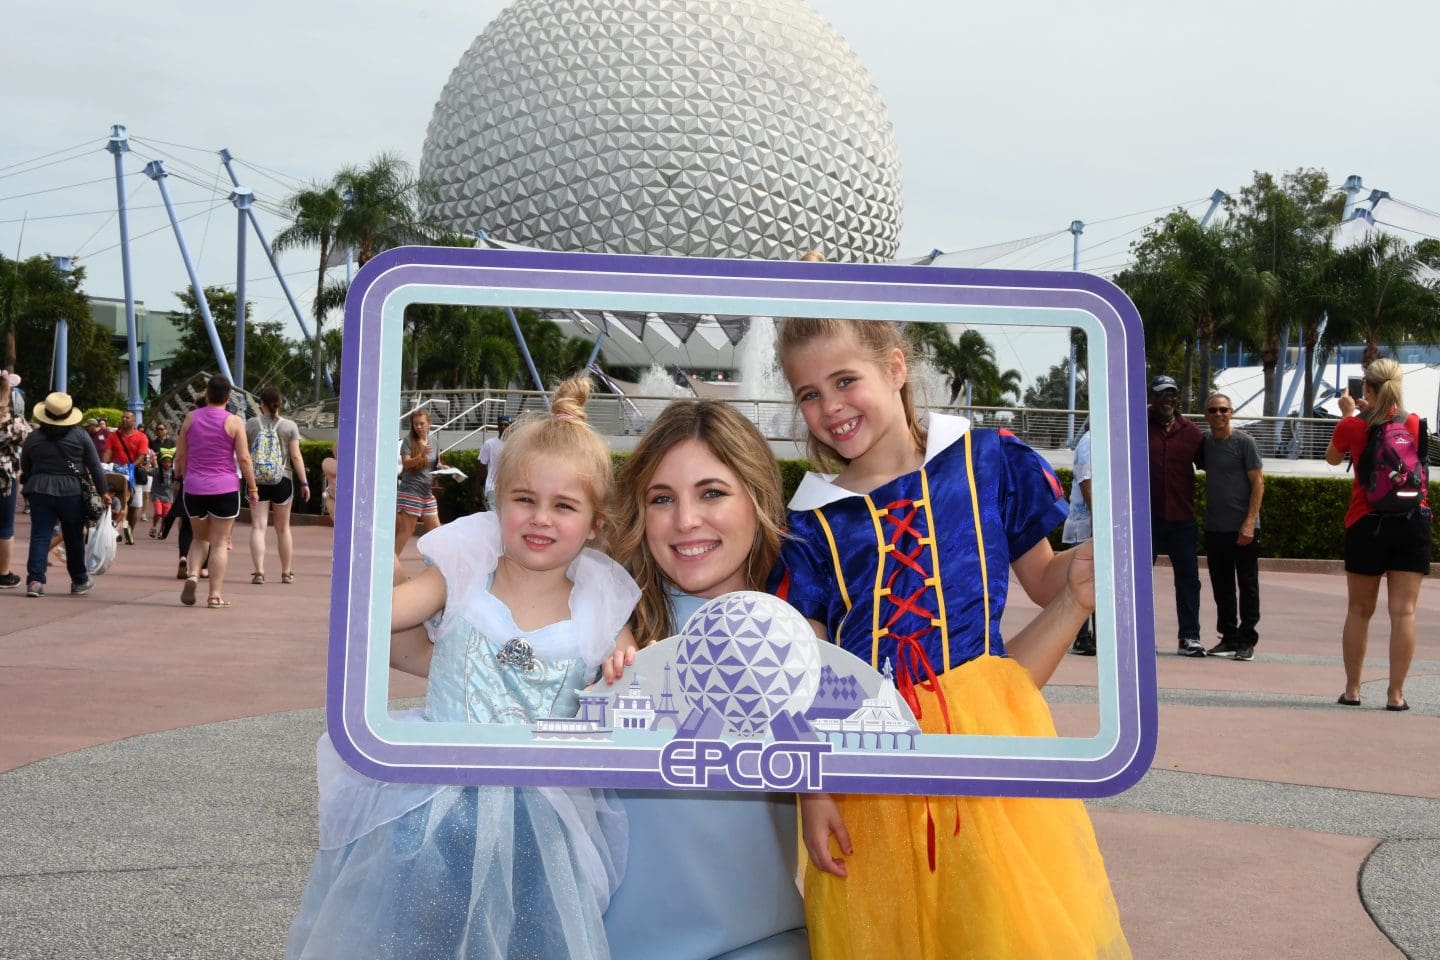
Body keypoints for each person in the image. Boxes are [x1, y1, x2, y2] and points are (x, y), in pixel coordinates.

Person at [772, 317, 1128, 960]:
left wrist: (1086, 570)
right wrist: (813, 789)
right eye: (808, 394)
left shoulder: (986, 461)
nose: (830, 407)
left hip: (984, 744)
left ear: (896, 368)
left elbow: (1047, 580)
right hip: (867, 761)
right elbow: (805, 672)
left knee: (997, 927)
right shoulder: (810, 522)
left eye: (845, 379)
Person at [287, 378, 639, 959]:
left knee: (529, 935)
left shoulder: (601, 604)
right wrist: (366, 533)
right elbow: (376, 618)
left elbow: (626, 683)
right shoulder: (465, 571)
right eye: (524, 499)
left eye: (564, 505)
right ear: (498, 501)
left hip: (542, 818)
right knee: (415, 936)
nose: (540, 518)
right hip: (432, 801)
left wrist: (622, 668)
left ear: (596, 524)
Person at [606, 398, 809, 959]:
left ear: (758, 499)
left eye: (712, 493)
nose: (685, 520)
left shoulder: (803, 640)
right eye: (661, 499)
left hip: (761, 946)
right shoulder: (602, 626)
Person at [1324, 358, 1429, 711]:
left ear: (1365, 387)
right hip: (1413, 519)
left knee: (1359, 609)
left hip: (1366, 522)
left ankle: (1353, 690)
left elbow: (1332, 459)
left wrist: (1348, 413)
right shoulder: (1413, 423)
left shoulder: (1355, 425)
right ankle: (1395, 695)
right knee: (1404, 612)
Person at [173, 377, 259, 608]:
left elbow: (180, 455)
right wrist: (252, 488)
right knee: (220, 543)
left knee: (200, 538)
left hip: (194, 488)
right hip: (225, 488)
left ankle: (193, 574)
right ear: (228, 397)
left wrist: (179, 478)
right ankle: (214, 595)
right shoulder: (234, 422)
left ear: (207, 394)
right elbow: (243, 458)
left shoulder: (191, 418)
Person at [17, 392, 110, 597]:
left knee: (40, 535)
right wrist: (103, 491)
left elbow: (25, 464)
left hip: (39, 488)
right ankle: (79, 579)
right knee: (74, 536)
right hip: (72, 491)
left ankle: (35, 581)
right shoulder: (80, 435)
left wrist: (36, 476)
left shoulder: (35, 437)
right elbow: (94, 465)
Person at [1201, 393, 1264, 660]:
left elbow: (1258, 483)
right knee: (1222, 586)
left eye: (1224, 410)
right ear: (1206, 414)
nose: (1219, 415)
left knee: (1247, 584)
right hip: (1216, 527)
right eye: (1213, 410)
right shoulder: (1205, 443)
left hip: (1243, 528)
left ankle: (1247, 639)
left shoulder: (1245, 443)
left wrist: (1249, 522)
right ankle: (1228, 637)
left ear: (1232, 412)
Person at [1147, 374, 1206, 657]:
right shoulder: (1136, 426)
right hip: (1145, 519)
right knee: (1139, 580)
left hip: (1182, 519)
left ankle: (1190, 637)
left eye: (1172, 393)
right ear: (1151, 397)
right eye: (1161, 394)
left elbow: (1215, 466)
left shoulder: (1192, 432)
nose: (1167, 399)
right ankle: (1140, 635)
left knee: (1188, 579)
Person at [245, 386, 310, 584]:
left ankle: (259, 571)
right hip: (283, 479)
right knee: (283, 529)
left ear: (261, 404)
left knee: (258, 527)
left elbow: (245, 454)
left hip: (257, 481)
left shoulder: (251, 424)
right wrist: (304, 482)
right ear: (280, 403)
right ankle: (286, 572)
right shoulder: (289, 426)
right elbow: (296, 456)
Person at [1064, 426, 1096, 655]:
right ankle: (1081, 636)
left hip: (1093, 525)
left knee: (1095, 582)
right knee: (1083, 581)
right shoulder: (1088, 441)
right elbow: (1086, 481)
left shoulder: (1104, 440)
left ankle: (1092, 635)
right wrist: (1100, 518)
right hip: (1085, 526)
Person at [0, 369, 32, 589]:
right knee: (4, 526)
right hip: (5, 476)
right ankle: (3, 573)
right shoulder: (12, 420)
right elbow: (27, 439)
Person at [395, 408, 441, 554]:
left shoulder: (434, 441)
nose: (418, 427)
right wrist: (421, 455)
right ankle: (389, 567)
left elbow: (435, 464)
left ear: (429, 424)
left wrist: (443, 468)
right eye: (415, 424)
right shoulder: (408, 441)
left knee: (436, 530)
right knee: (407, 530)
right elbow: (406, 463)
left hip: (426, 493)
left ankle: (439, 565)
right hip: (410, 491)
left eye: (421, 423)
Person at [103, 410, 150, 545]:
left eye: (127, 418)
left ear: (133, 421)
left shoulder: (141, 437)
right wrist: (104, 465)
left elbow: (141, 455)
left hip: (133, 473)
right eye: (123, 417)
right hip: (116, 473)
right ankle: (113, 529)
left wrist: (131, 467)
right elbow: (107, 452)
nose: (124, 419)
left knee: (134, 505)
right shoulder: (113, 436)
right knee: (115, 500)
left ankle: (130, 530)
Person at [479, 414, 511, 510]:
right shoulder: (489, 444)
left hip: (510, 487)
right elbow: (481, 467)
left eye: (506, 425)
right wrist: (477, 486)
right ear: (497, 426)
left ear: (510, 426)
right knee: (494, 517)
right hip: (492, 487)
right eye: (501, 425)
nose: (503, 427)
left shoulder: (515, 444)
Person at [148, 451, 175, 539]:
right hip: (157, 495)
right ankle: (154, 527)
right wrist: (151, 461)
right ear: (161, 462)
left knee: (165, 516)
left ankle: (161, 531)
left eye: (169, 462)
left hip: (168, 497)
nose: (167, 464)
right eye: (165, 461)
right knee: (158, 513)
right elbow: (147, 470)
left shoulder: (173, 472)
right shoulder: (156, 471)